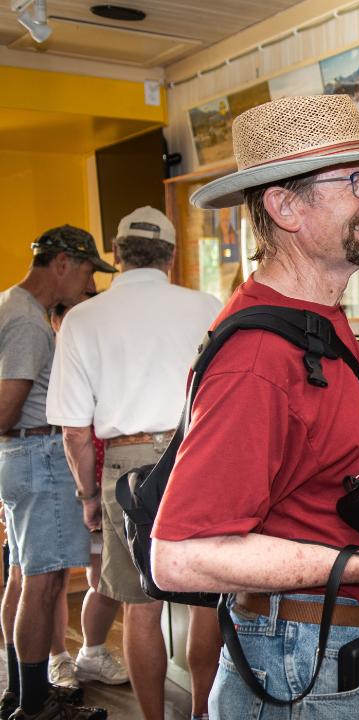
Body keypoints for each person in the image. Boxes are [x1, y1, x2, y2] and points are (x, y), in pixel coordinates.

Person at [147, 94, 359, 719]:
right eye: (355, 181)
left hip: (331, 653)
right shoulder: (261, 358)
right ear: (285, 206)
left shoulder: (318, 323)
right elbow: (178, 556)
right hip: (302, 666)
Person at [46, 207, 222, 720]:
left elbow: (75, 431)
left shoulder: (82, 318)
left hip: (127, 465)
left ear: (117, 255)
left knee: (141, 608)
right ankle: (203, 715)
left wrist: (86, 497)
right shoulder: (207, 305)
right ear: (170, 255)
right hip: (198, 454)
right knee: (204, 598)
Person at [0, 225, 113, 720]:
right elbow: (7, 411)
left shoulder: (12, 303)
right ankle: (36, 704)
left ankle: (19, 692)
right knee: (43, 585)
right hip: (37, 455)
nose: (88, 285)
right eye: (88, 271)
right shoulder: (27, 320)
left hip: (20, 458)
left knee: (23, 578)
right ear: (63, 262)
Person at [44, 293, 128, 693]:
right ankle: (60, 657)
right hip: (69, 477)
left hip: (95, 474)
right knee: (55, 577)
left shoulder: (91, 350)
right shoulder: (54, 352)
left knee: (104, 578)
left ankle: (91, 653)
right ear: (56, 317)